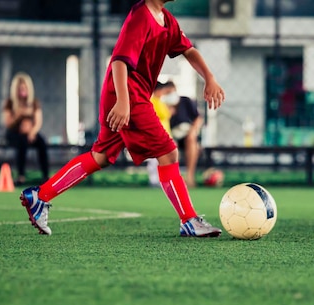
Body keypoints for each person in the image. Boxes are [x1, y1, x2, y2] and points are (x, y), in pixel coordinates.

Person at [19, 0, 225, 237]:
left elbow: (189, 50)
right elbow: (119, 61)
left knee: (102, 156)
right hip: (127, 95)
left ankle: (40, 196)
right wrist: (123, 102)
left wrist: (209, 77)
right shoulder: (141, 16)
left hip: (126, 96)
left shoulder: (167, 20)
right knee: (168, 151)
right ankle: (189, 220)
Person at [2, 72, 49, 184]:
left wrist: (32, 132)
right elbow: (8, 123)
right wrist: (18, 115)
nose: (22, 91)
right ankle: (21, 175)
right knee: (21, 142)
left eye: (24, 88)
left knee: (42, 142)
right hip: (14, 133)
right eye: (20, 88)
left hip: (30, 133)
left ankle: (45, 175)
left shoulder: (34, 103)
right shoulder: (10, 103)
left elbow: (38, 121)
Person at [167, 82, 204, 187]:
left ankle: (190, 176)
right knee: (170, 146)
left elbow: (198, 118)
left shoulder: (185, 101)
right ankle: (173, 179)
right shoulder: (162, 104)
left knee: (191, 140)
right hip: (170, 134)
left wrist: (193, 130)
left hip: (186, 133)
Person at [146, 81, 175, 186]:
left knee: (164, 159)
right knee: (155, 160)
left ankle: (163, 179)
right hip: (156, 135)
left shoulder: (160, 102)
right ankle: (154, 180)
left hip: (165, 134)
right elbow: (164, 114)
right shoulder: (153, 102)